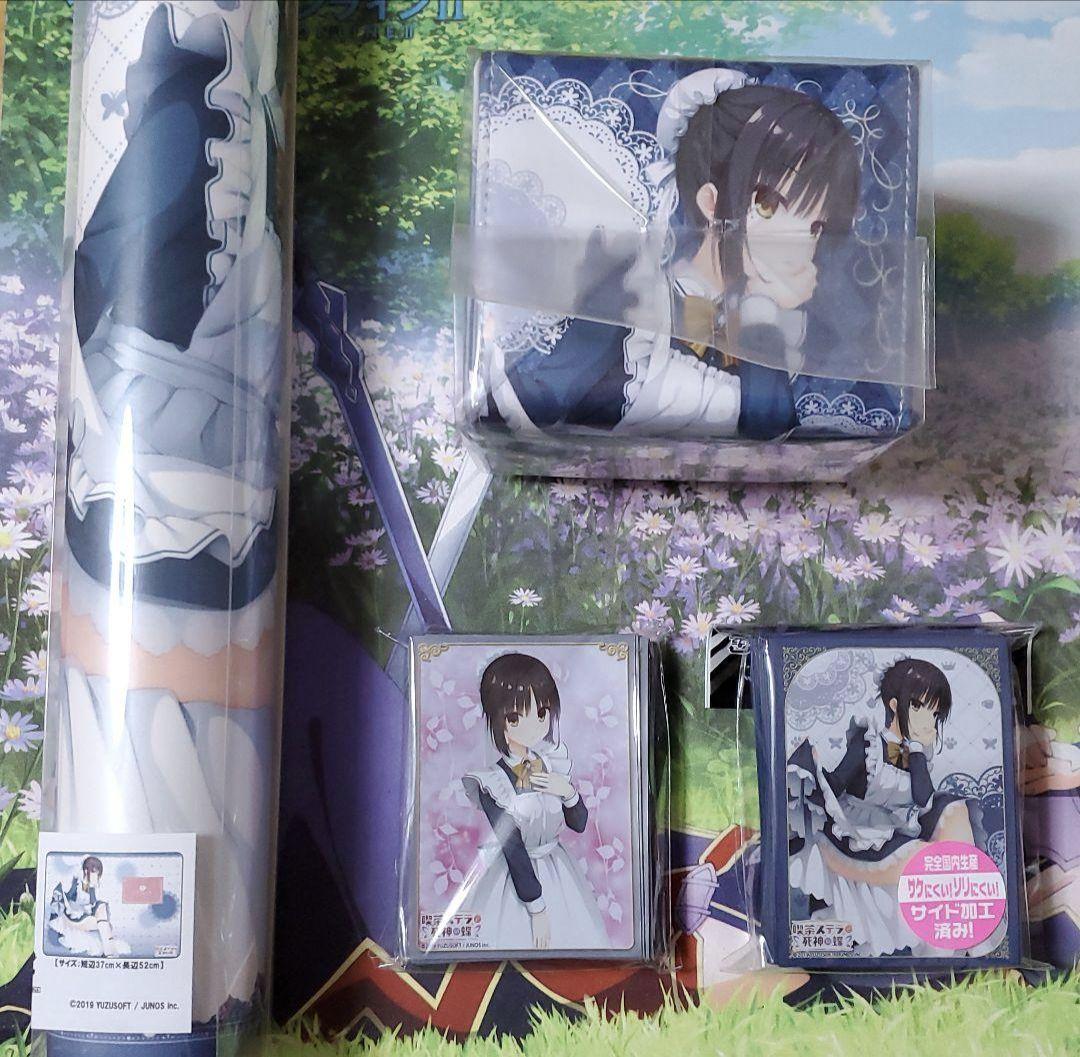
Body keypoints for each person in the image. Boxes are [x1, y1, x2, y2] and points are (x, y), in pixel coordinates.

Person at [786, 658, 983, 957]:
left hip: (893, 829)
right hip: (854, 829)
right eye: (919, 707)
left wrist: (917, 750)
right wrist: (812, 772)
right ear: (894, 704)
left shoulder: (917, 753)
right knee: (915, 859)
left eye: (935, 713)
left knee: (951, 812)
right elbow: (838, 781)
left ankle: (951, 934)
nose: (928, 719)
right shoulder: (869, 743)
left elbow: (924, 798)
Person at [455, 653, 608, 951]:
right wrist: (537, 909)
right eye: (515, 717)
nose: (535, 725)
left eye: (541, 712)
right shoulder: (491, 783)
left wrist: (568, 792)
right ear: (499, 721)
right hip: (516, 882)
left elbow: (578, 824)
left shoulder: (552, 761)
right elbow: (513, 848)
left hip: (559, 868)